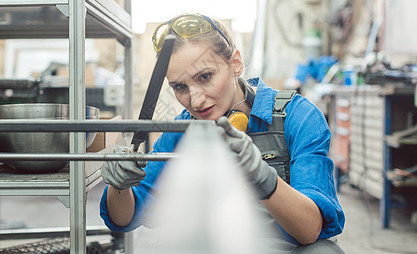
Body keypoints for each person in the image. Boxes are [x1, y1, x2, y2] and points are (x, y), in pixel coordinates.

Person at [100, 13, 345, 252]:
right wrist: (118, 186)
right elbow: (125, 218)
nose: (195, 101)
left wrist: (262, 177)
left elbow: (311, 230)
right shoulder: (182, 130)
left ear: (235, 63)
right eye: (180, 87)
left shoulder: (298, 117)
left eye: (205, 77)